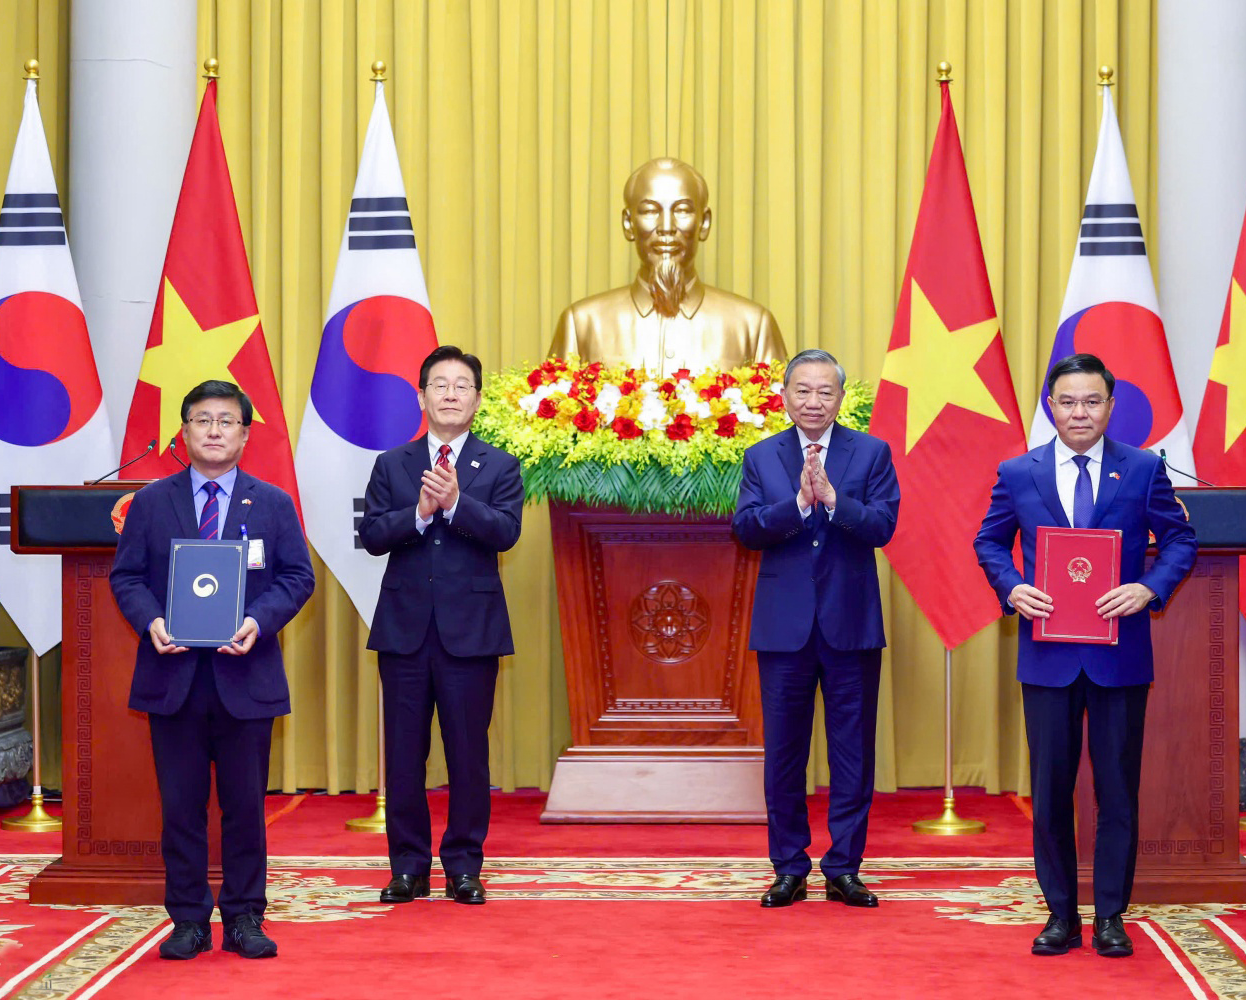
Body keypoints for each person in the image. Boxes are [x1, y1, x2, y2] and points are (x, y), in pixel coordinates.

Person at [974, 352, 1196, 958]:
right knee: (1050, 791)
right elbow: (989, 541)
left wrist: (1149, 588)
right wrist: (1010, 586)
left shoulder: (1143, 468)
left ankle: (1111, 916)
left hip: (1118, 655)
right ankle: (1060, 914)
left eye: (1092, 401)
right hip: (1047, 656)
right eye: (1068, 401)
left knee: (1117, 789)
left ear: (1110, 406)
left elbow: (1180, 539)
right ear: (1051, 406)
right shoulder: (1018, 472)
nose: (1079, 412)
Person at [109, 380, 314, 961]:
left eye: (227, 421)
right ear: (184, 432)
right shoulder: (151, 502)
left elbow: (297, 578)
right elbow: (126, 577)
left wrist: (257, 621)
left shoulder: (272, 502)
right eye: (203, 420)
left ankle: (245, 916)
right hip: (172, 678)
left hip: (245, 677)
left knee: (245, 808)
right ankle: (188, 919)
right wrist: (151, 620)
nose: (215, 431)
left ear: (245, 435)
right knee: (181, 808)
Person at [732, 348, 901, 909]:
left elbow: (883, 527)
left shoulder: (871, 452)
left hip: (851, 626)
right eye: (802, 390)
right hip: (784, 630)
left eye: (825, 391)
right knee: (784, 754)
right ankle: (789, 867)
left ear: (841, 398)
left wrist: (834, 500)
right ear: (784, 396)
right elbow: (747, 529)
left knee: (853, 753)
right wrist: (799, 505)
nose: (813, 401)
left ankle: (844, 867)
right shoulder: (761, 456)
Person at [359, 345, 525, 906]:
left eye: (461, 386)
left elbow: (506, 532)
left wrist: (455, 505)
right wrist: (419, 513)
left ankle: (463, 866)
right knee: (404, 755)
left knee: (467, 755)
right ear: (421, 396)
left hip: (471, 632)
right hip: (404, 631)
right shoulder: (393, 464)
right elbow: (373, 535)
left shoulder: (500, 465)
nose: (450, 394)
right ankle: (407, 868)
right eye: (440, 384)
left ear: (477, 400)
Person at [548, 157, 787, 376]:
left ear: (704, 223)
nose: (666, 227)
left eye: (682, 210)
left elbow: (781, 407)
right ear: (628, 224)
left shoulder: (753, 326)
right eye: (649, 211)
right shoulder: (582, 324)